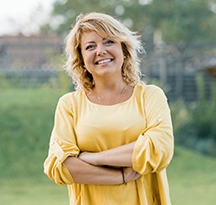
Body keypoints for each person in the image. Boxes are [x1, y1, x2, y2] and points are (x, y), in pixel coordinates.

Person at [44, 12, 174, 205]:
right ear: (81, 58)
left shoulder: (150, 96)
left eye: (108, 42)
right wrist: (120, 177)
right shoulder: (69, 105)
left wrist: (93, 158)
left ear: (124, 48)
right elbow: (59, 165)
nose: (100, 51)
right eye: (90, 46)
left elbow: (159, 149)